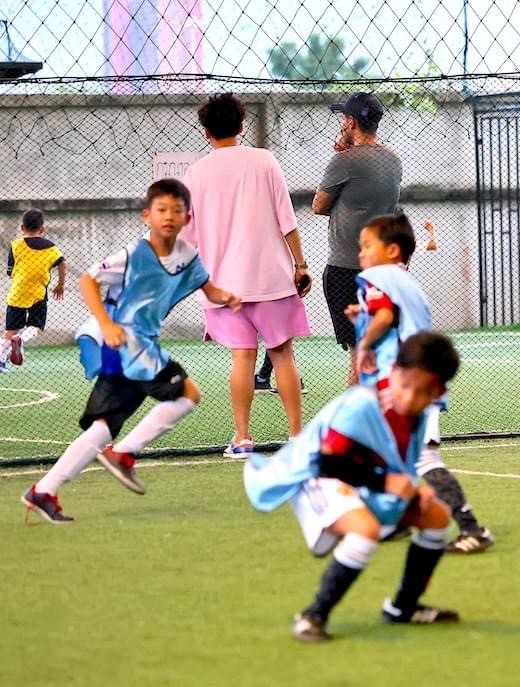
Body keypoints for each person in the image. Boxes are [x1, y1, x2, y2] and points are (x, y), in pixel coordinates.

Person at [21, 179, 241, 523]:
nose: (168, 216)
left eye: (177, 210)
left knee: (103, 427)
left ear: (187, 218)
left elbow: (208, 289)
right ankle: (124, 454)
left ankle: (44, 491)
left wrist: (227, 297)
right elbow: (87, 281)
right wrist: (106, 325)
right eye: (161, 210)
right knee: (187, 395)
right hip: (127, 343)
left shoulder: (187, 256)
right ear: (146, 215)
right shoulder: (133, 254)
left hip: (138, 347)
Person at [244, 332, 463, 641]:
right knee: (365, 530)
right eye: (406, 387)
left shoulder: (417, 413)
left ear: (439, 391)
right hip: (316, 475)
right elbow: (327, 463)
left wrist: (413, 487)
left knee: (437, 517)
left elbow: (394, 462)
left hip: (358, 477)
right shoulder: (363, 404)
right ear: (395, 371)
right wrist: (385, 482)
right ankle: (312, 615)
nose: (411, 398)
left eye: (424, 392)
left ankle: (404, 607)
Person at [348, 214, 494, 554]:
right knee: (395, 455)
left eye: (367, 246)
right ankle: (396, 520)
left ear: (392, 250)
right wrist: (364, 319)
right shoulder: (406, 281)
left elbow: (384, 317)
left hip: (409, 385)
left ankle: (472, 528)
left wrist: (365, 344)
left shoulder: (375, 276)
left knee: (423, 459)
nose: (362, 255)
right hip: (422, 379)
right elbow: (390, 316)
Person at [182, 93, 311, 457]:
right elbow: (288, 220)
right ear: (242, 126)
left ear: (206, 131)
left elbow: (188, 238)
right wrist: (300, 265)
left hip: (223, 286)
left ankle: (242, 439)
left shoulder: (196, 173)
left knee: (242, 357)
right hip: (272, 278)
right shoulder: (265, 161)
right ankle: (297, 438)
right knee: (283, 355)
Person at [313, 92, 402, 386]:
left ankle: (355, 425)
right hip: (383, 270)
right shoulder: (393, 160)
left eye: (343, 119)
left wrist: (342, 155)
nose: (341, 124)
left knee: (359, 355)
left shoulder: (344, 162)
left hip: (345, 270)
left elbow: (319, 206)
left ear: (351, 122)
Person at [1, 209, 66, 371]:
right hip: (38, 292)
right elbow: (62, 263)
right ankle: (22, 340)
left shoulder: (15, 245)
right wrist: (60, 284)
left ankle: (1, 361)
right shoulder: (51, 248)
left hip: (18, 292)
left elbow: (10, 271)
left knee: (9, 332)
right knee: (36, 326)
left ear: (22, 228)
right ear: (42, 229)